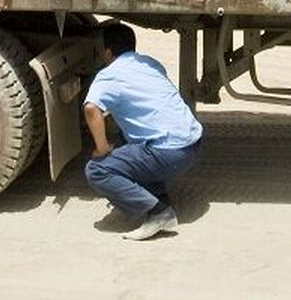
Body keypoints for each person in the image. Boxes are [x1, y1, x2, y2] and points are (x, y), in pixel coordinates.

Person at [83, 22, 203, 241]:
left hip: (168, 153)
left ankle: (158, 212)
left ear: (108, 52)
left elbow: (91, 109)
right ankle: (158, 197)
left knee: (98, 170)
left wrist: (102, 148)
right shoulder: (150, 63)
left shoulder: (108, 75)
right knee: (128, 137)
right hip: (192, 145)